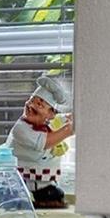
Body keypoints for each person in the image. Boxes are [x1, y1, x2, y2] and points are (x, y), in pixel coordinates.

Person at [7, 74, 75, 209]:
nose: (31, 105)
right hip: (24, 174)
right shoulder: (21, 129)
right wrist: (69, 130)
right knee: (25, 190)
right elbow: (46, 142)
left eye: (39, 104)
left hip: (39, 173)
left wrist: (73, 118)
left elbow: (62, 119)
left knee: (52, 193)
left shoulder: (48, 122)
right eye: (31, 100)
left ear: (51, 114)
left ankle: (43, 194)